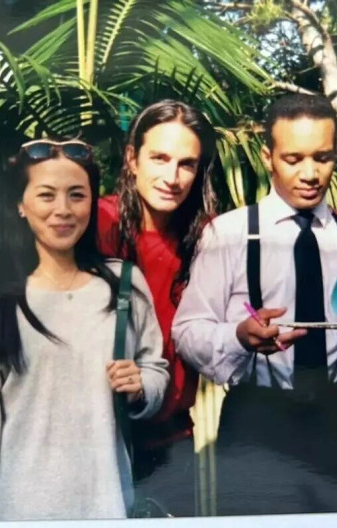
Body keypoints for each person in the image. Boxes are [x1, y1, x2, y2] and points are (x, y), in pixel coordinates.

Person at [172, 93, 337, 515]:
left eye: (322, 157)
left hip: (334, 423)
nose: (310, 173)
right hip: (253, 422)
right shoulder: (228, 236)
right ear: (268, 157)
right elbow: (188, 332)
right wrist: (238, 337)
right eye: (294, 159)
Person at [0, 136, 169, 521]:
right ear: (20, 204)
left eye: (77, 195)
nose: (63, 210)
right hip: (21, 514)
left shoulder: (124, 284)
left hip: (109, 507)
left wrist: (141, 387)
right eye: (46, 195)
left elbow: (155, 369)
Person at [97, 99, 217, 517]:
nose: (172, 177)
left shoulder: (208, 237)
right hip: (100, 439)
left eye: (186, 164)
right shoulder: (96, 223)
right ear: (132, 159)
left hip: (171, 440)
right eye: (159, 158)